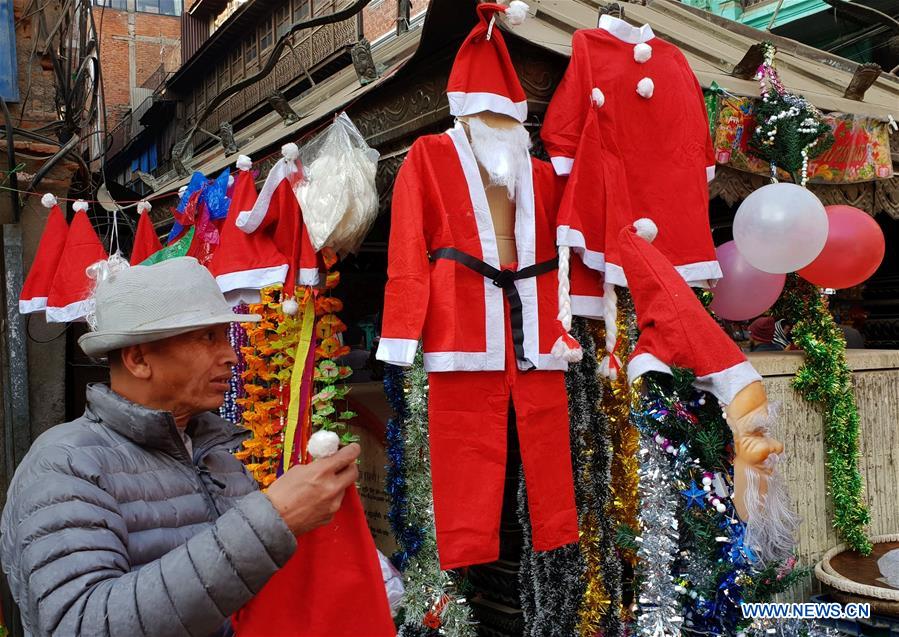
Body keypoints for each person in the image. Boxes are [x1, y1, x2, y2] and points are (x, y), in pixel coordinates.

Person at [0, 257, 360, 637]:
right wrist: (274, 520)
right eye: (208, 337)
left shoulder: (225, 450)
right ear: (138, 359)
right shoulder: (66, 463)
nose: (231, 356)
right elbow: (80, 625)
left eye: (225, 337)